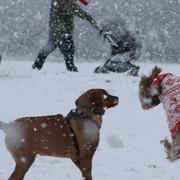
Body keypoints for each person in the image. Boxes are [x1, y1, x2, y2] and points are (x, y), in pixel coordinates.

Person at [32, 0, 100, 72]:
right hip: (64, 33)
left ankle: (36, 66)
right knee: (69, 52)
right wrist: (93, 22)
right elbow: (80, 13)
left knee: (47, 50)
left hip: (54, 32)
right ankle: (71, 68)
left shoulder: (57, 2)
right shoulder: (67, 3)